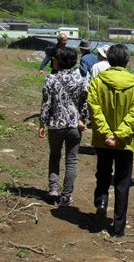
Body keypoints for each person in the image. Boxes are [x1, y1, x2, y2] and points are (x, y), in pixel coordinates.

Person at [87, 44, 134, 238]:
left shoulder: (97, 81)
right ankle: (118, 226)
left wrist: (107, 134)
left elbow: (94, 109)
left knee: (102, 173)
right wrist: (119, 135)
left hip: (102, 141)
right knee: (122, 181)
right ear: (127, 61)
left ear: (108, 60)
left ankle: (101, 203)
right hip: (125, 142)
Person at [38, 46, 88, 207]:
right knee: (71, 161)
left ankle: (53, 188)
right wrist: (83, 119)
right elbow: (86, 102)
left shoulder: (50, 79)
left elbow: (46, 104)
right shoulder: (80, 79)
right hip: (74, 125)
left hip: (55, 125)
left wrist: (42, 124)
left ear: (58, 61)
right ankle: (66, 196)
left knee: (54, 156)